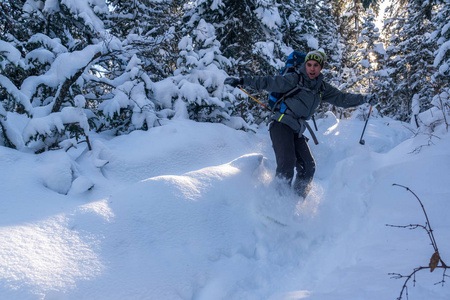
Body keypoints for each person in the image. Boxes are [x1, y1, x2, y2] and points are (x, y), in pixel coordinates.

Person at [224, 50, 378, 198]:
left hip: (296, 130)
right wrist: (242, 80)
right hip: (281, 124)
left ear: (321, 67)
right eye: (309, 64)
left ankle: (295, 200)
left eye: (315, 65)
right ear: (305, 65)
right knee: (287, 164)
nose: (312, 68)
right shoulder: (294, 79)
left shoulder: (322, 87)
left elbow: (342, 98)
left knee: (308, 166)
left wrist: (364, 99)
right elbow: (268, 82)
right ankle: (276, 204)